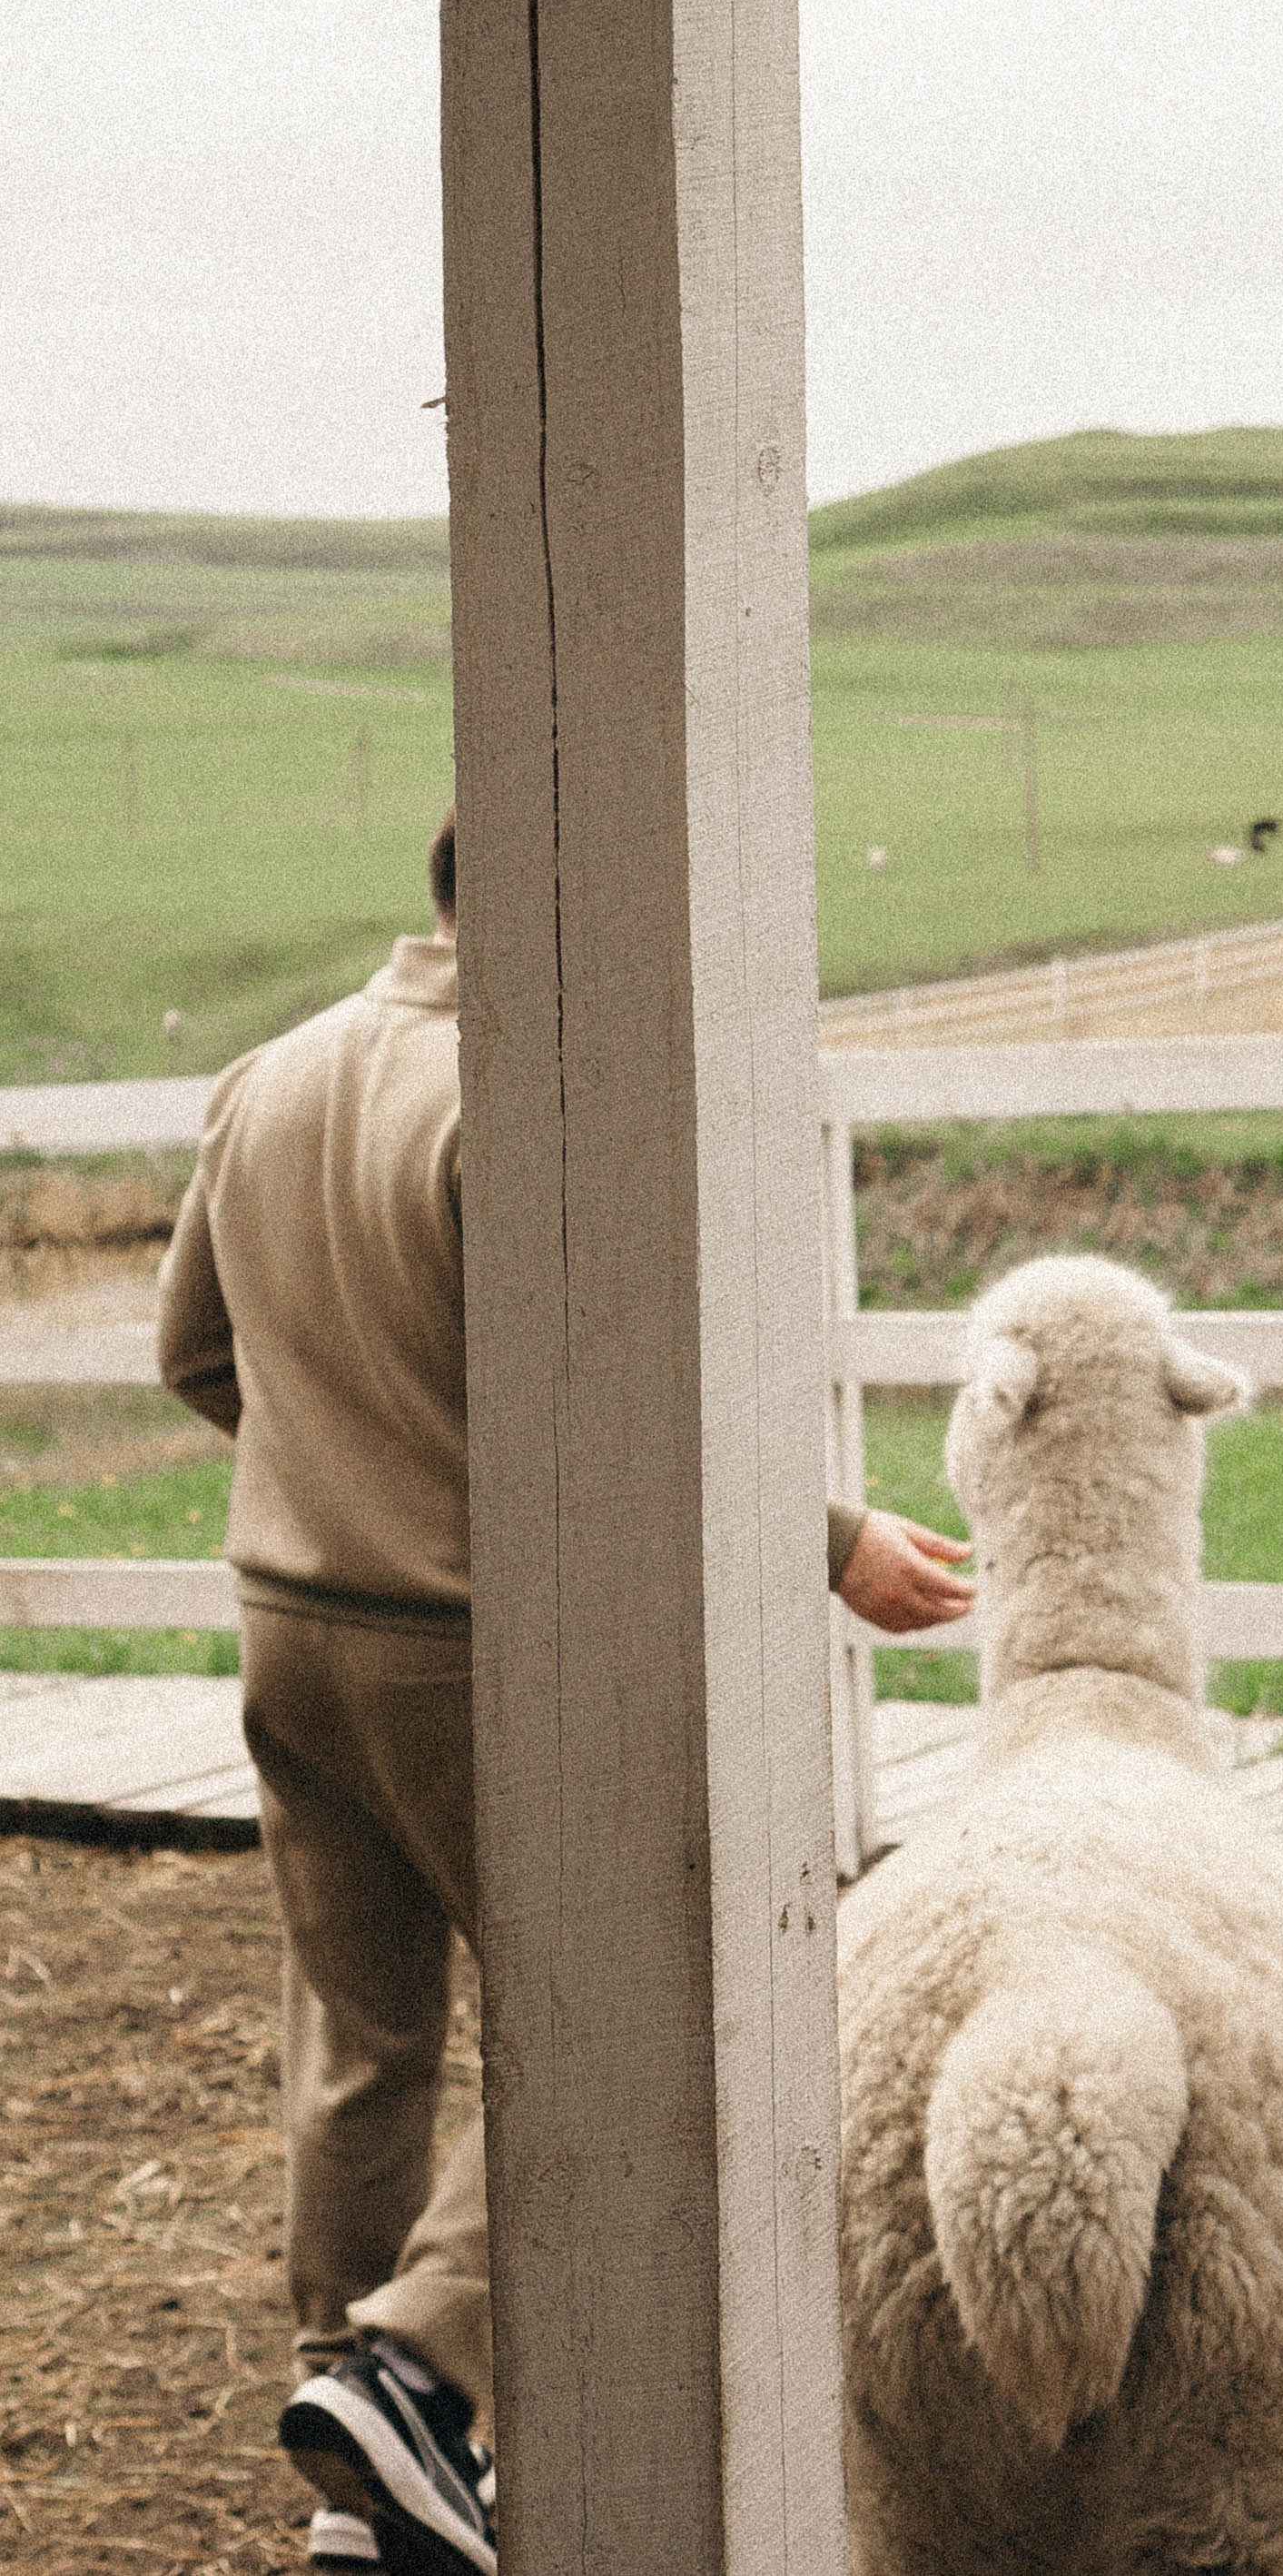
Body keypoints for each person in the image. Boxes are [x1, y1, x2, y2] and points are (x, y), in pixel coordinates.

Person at [158, 811, 972, 2574]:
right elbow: (605, 1405)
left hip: (288, 1624)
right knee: (621, 2005)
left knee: (356, 2043)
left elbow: (194, 1357)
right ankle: (422, 2364)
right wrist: (826, 1534)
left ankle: (350, 2453)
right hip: (465, 1646)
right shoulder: (507, 1104)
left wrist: (333, 1481)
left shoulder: (266, 1076)